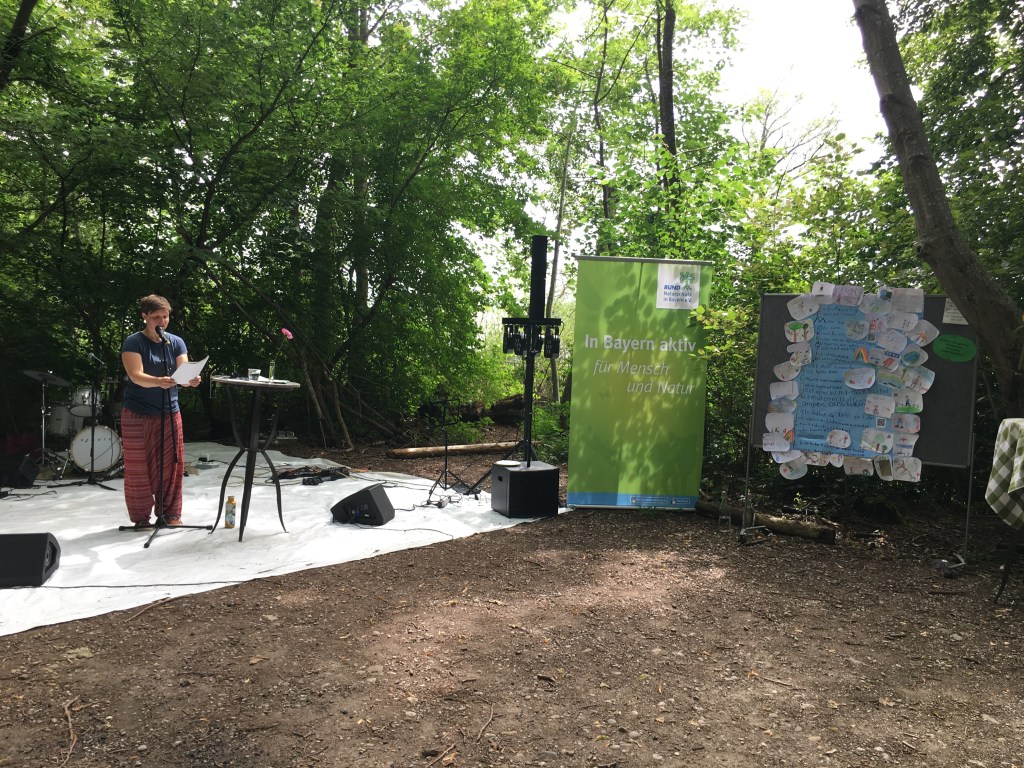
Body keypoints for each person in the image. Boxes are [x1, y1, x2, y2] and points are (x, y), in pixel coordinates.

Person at [120, 294, 202, 529]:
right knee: (139, 467)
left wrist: (191, 380)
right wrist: (158, 381)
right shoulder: (133, 342)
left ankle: (170, 513)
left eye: (165, 316)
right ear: (144, 316)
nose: (162, 321)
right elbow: (135, 376)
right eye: (156, 317)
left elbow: (182, 373)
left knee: (172, 464)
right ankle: (141, 518)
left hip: (169, 412)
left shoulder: (175, 342)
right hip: (137, 412)